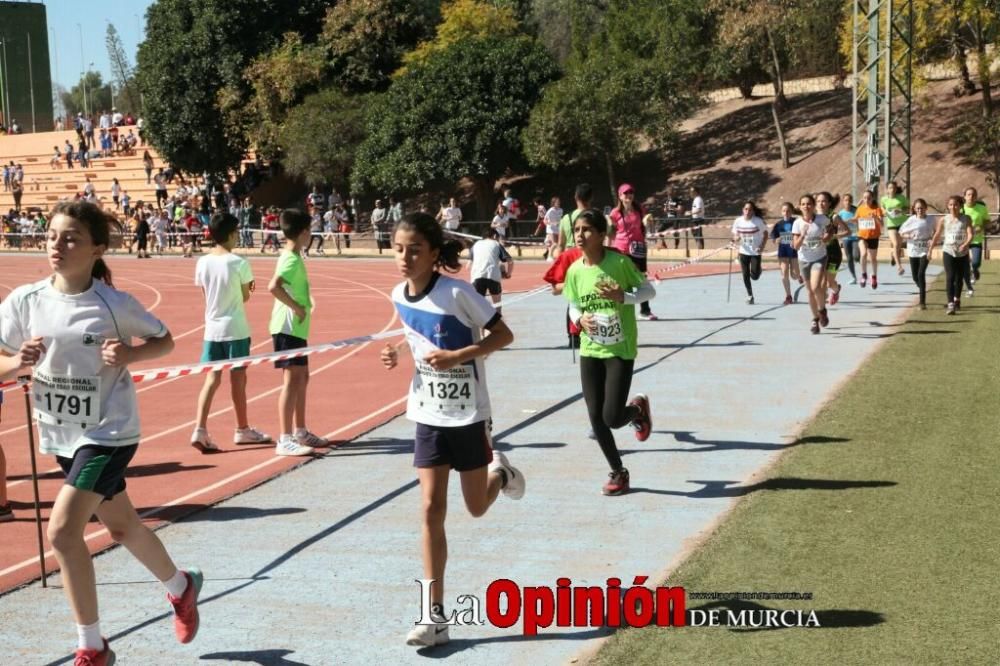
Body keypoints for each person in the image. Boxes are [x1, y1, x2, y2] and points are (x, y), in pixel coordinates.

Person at [0, 201, 201, 665]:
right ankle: (181, 586)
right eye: (52, 236)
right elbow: (2, 359)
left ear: (96, 248)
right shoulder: (25, 302)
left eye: (71, 237)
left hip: (110, 432)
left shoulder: (113, 305)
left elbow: (164, 339)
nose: (57, 245)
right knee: (122, 525)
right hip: (59, 434)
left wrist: (130, 357)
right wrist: (17, 363)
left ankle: (93, 647)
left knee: (64, 533)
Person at [380, 212, 523, 648]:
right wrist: (395, 355)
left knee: (476, 507)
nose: (405, 257)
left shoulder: (458, 293)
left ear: (434, 253)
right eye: (399, 248)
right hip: (426, 412)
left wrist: (461, 355)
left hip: (468, 415)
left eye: (415, 250)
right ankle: (433, 615)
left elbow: (504, 336)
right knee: (429, 509)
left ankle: (502, 474)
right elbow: (416, 340)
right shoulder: (397, 294)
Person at [563, 209, 655, 495]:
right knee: (595, 417)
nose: (580, 235)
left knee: (612, 417)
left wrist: (623, 297)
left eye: (587, 230)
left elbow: (648, 291)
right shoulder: (575, 270)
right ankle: (619, 472)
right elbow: (574, 303)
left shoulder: (619, 262)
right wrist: (580, 320)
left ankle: (637, 410)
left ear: (602, 235)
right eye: (577, 230)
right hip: (590, 349)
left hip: (620, 348)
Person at [191, 212, 272, 453]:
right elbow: (245, 296)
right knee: (238, 380)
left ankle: (200, 428)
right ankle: (242, 428)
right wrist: (247, 290)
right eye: (236, 232)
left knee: (212, 379)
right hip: (235, 328)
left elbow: (206, 295)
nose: (238, 236)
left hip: (212, 329)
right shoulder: (239, 262)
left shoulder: (202, 262)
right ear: (229, 234)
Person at [267, 209, 330, 455]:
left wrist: (306, 301)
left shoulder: (293, 256)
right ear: (304, 232)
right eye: (310, 231)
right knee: (291, 381)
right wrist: (297, 308)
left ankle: (301, 431)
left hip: (297, 327)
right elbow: (273, 287)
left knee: (303, 377)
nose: (311, 235)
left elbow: (292, 288)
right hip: (287, 327)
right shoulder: (291, 259)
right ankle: (284, 438)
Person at [609, 184, 657, 320]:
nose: (628, 195)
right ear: (620, 196)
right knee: (622, 280)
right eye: (625, 193)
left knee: (641, 279)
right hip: (621, 250)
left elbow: (647, 226)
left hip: (638, 249)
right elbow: (610, 232)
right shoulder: (615, 213)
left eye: (630, 192)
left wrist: (649, 222)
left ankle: (645, 311)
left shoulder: (639, 209)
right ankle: (619, 310)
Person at [792, 194, 831, 334]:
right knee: (810, 291)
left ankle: (821, 310)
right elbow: (796, 246)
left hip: (819, 257)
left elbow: (830, 230)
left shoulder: (821, 219)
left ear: (814, 206)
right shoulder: (797, 223)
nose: (806, 206)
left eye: (809, 204)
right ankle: (815, 320)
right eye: (803, 204)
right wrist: (802, 235)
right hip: (804, 259)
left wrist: (827, 237)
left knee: (815, 287)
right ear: (799, 207)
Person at [929, 195, 973, 315]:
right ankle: (950, 304)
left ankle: (957, 299)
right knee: (950, 276)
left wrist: (966, 244)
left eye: (956, 204)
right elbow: (937, 235)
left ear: (960, 206)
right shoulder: (944, 219)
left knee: (959, 278)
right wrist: (930, 249)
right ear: (948, 206)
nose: (953, 207)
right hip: (948, 251)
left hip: (962, 252)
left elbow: (970, 234)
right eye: (951, 205)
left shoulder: (966, 218)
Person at [898, 198, 935, 310]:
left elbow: (937, 232)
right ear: (914, 209)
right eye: (917, 208)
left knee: (921, 274)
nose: (920, 210)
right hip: (913, 250)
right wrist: (908, 236)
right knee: (915, 277)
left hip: (925, 250)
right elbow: (901, 232)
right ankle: (922, 289)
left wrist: (932, 239)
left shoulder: (931, 219)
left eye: (922, 208)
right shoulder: (911, 220)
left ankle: (922, 303)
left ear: (925, 208)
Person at [730, 200, 768, 304]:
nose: (747, 211)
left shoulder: (758, 221)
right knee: (745, 274)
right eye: (746, 209)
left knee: (754, 277)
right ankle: (750, 295)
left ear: (753, 211)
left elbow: (765, 235)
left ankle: (758, 270)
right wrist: (735, 238)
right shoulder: (738, 221)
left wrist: (762, 246)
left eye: (750, 209)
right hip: (743, 251)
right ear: (743, 210)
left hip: (755, 251)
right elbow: (734, 235)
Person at [816, 191, 850, 306]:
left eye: (824, 201)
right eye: (819, 201)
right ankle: (821, 306)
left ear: (829, 203)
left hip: (834, 254)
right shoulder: (815, 217)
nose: (821, 204)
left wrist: (835, 236)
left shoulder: (834, 217)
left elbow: (848, 231)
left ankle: (836, 290)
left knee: (829, 283)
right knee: (821, 281)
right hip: (820, 253)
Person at [469, 227, 513, 313]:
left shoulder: (475, 245)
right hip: (492, 275)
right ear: (494, 235)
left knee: (478, 305)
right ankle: (498, 320)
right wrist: (508, 273)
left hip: (477, 276)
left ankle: (479, 324)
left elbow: (468, 265)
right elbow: (510, 261)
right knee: (497, 304)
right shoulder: (496, 244)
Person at [770, 202, 800, 304]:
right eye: (784, 211)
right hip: (783, 252)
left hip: (794, 251)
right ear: (781, 212)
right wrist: (776, 240)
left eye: (788, 210)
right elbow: (773, 237)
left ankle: (799, 276)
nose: (786, 212)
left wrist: (796, 240)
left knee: (795, 275)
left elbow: (802, 234)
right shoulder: (778, 224)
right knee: (784, 274)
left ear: (792, 211)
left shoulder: (796, 222)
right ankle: (788, 295)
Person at [962, 186, 989, 296]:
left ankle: (975, 270)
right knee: (965, 265)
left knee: (976, 262)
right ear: (964, 197)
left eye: (973, 195)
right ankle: (969, 287)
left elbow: (987, 221)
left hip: (976, 240)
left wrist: (981, 226)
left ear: (976, 197)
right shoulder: (961, 208)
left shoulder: (982, 208)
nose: (971, 197)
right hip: (963, 240)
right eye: (968, 194)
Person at [853, 189, 883, 289]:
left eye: (869, 198)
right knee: (864, 254)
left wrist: (875, 218)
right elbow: (855, 219)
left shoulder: (877, 209)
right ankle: (863, 274)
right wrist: (847, 220)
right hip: (862, 235)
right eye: (865, 198)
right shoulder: (860, 209)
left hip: (874, 236)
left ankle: (874, 276)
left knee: (873, 258)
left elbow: (881, 224)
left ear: (872, 198)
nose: (866, 200)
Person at [556, 183, 593, 258]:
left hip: (570, 257)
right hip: (589, 257)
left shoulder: (566, 218)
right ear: (591, 198)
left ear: (576, 197)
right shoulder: (596, 217)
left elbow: (560, 245)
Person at [880, 181, 909, 276]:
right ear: (887, 189)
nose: (892, 189)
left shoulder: (901, 198)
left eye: (894, 188)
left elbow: (908, 208)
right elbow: (882, 208)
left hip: (902, 223)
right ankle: (899, 267)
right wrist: (884, 211)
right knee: (896, 244)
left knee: (899, 246)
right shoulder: (884, 199)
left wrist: (900, 210)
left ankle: (893, 254)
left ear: (896, 189)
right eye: (890, 188)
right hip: (891, 224)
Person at [837, 192, 860, 284]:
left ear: (851, 201)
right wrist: (841, 226)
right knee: (849, 258)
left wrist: (854, 221)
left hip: (855, 236)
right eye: (846, 200)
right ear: (843, 202)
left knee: (856, 256)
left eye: (849, 200)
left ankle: (860, 264)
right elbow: (838, 225)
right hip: (846, 238)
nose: (848, 202)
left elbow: (861, 220)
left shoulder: (856, 211)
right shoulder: (841, 213)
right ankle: (854, 277)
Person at [542, 196, 563, 261]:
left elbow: (560, 219)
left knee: (558, 243)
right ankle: (549, 256)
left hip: (557, 229)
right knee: (555, 243)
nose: (559, 203)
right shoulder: (550, 210)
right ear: (553, 203)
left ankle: (556, 256)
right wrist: (552, 223)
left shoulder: (561, 210)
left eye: (559, 202)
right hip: (551, 229)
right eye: (557, 202)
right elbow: (544, 220)